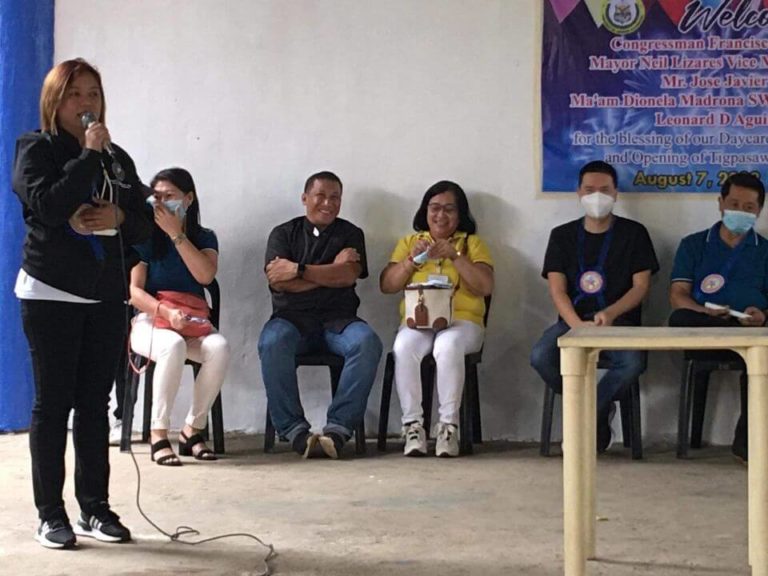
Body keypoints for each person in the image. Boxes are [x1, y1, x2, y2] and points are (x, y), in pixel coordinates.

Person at [12, 58, 151, 548]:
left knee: (95, 404)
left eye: (93, 93)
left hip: (105, 294)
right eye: (75, 94)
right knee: (53, 405)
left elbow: (144, 226)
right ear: (55, 100)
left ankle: (95, 507)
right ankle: (51, 514)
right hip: (51, 292)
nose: (86, 103)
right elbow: (47, 205)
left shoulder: (118, 159)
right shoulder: (36, 149)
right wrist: (89, 157)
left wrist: (119, 212)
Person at [530, 160, 659, 452]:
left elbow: (641, 286)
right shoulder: (561, 236)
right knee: (541, 356)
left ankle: (585, 417)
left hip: (620, 325)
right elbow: (556, 289)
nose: (596, 196)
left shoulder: (634, 233)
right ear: (578, 192)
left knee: (632, 363)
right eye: (589, 189)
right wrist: (576, 326)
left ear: (615, 194)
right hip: (572, 323)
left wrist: (611, 314)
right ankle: (597, 412)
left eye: (604, 190)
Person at [258, 171, 382, 459]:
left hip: (339, 322)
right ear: (305, 199)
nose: (328, 203)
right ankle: (295, 432)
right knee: (272, 343)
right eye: (320, 196)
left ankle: (338, 430)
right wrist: (330, 271)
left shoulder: (350, 234)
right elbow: (278, 281)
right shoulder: (283, 234)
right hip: (291, 321)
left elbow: (348, 276)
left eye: (335, 197)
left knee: (367, 343)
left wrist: (299, 270)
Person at [379, 181, 494, 457]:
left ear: (460, 214)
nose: (441, 215)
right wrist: (411, 261)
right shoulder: (409, 242)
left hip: (462, 323)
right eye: (434, 208)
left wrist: (454, 256)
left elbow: (485, 286)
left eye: (449, 210)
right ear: (425, 211)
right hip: (418, 323)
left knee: (447, 346)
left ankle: (447, 427)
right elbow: (387, 285)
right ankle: (413, 427)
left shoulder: (472, 244)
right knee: (403, 347)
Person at [129, 168, 229, 466]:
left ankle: (191, 431)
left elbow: (205, 274)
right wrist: (165, 312)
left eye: (169, 196)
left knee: (219, 348)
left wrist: (176, 234)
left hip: (192, 322)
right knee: (172, 345)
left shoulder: (204, 237)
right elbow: (134, 291)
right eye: (156, 197)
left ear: (188, 199)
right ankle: (158, 434)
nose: (160, 203)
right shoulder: (144, 236)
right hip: (150, 320)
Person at [669, 171, 768, 463]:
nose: (740, 212)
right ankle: (730, 329)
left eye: (749, 207)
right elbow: (678, 296)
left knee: (761, 356)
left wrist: (761, 315)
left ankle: (746, 443)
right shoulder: (694, 244)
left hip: (754, 335)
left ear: (759, 210)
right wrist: (706, 313)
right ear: (720, 203)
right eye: (734, 203)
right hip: (705, 333)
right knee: (679, 318)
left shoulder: (765, 251)